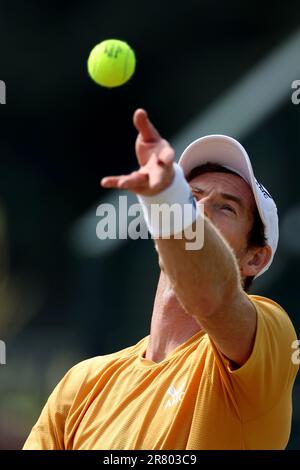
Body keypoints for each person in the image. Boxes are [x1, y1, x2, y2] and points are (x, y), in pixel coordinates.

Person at [23, 109, 299, 450]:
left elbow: (209, 297)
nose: (200, 210)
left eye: (226, 208)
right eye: (192, 197)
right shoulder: (82, 384)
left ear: (255, 258)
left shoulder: (272, 334)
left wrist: (169, 199)